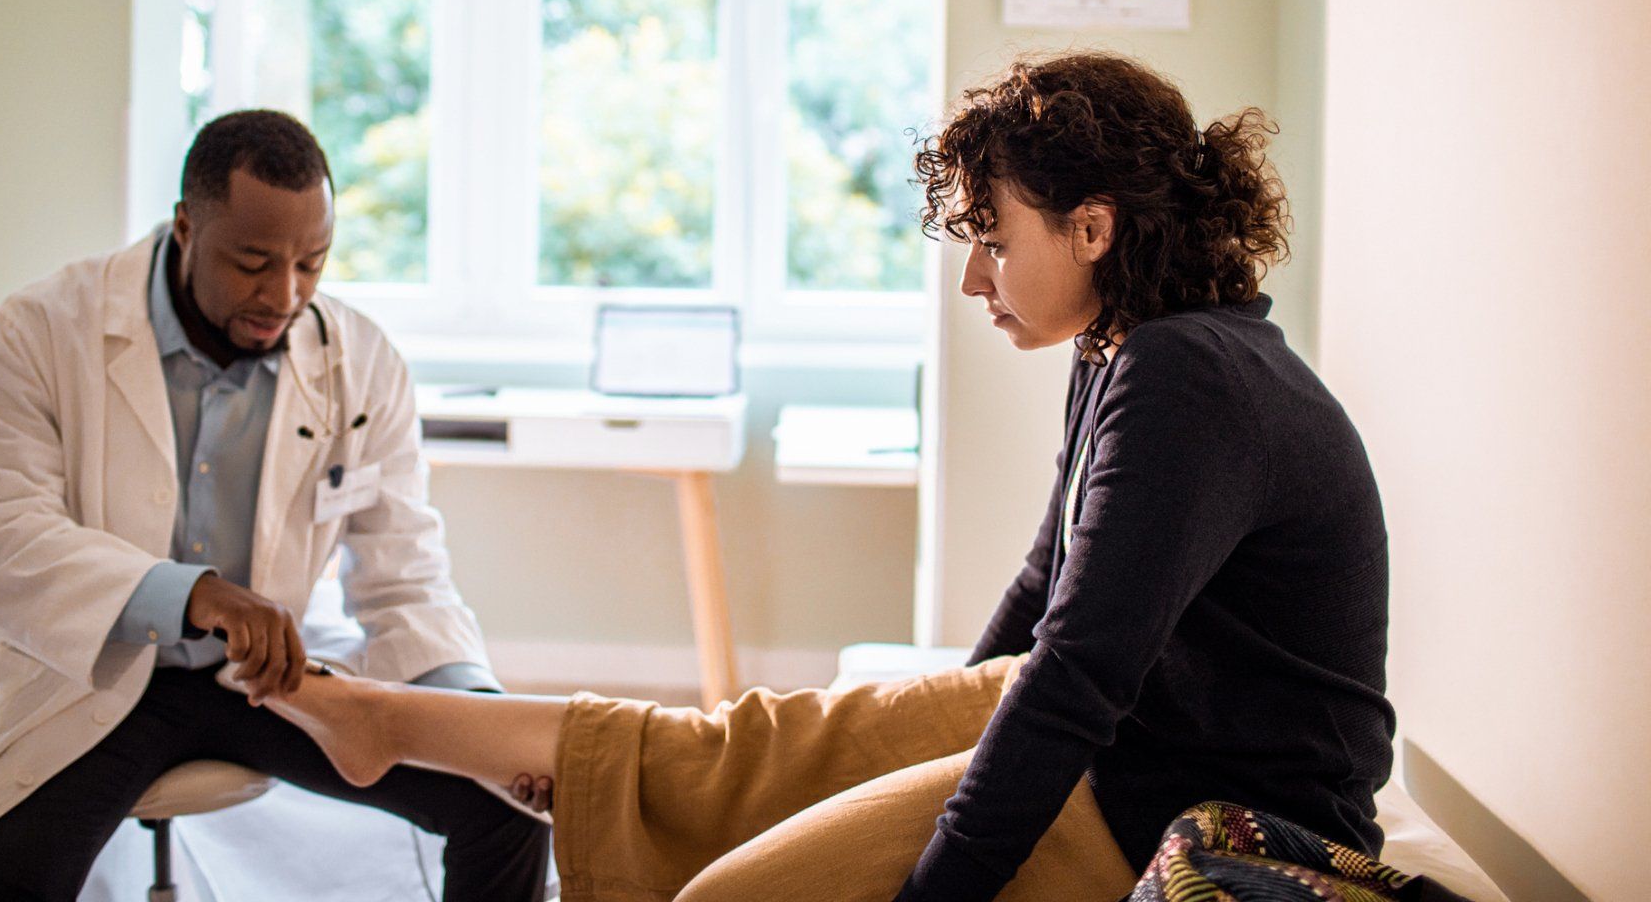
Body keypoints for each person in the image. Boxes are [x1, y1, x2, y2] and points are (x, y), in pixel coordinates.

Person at [217, 53, 1396, 902]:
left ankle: (436, 737)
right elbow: (1047, 592)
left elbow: (1081, 673)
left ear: (1092, 227)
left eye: (995, 234)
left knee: (729, 892)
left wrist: (940, 880)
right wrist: (926, 737)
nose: (976, 276)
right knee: (746, 743)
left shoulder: (1188, 374)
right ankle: (382, 716)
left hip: (1197, 793)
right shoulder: (1134, 345)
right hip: (1131, 737)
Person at [0, 111, 549, 902]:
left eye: (312, 264)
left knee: (507, 808)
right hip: (96, 677)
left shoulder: (361, 361)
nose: (285, 295)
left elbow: (405, 571)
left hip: (272, 683)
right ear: (187, 227)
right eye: (253, 262)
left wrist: (474, 711)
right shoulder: (47, 330)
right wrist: (187, 594)